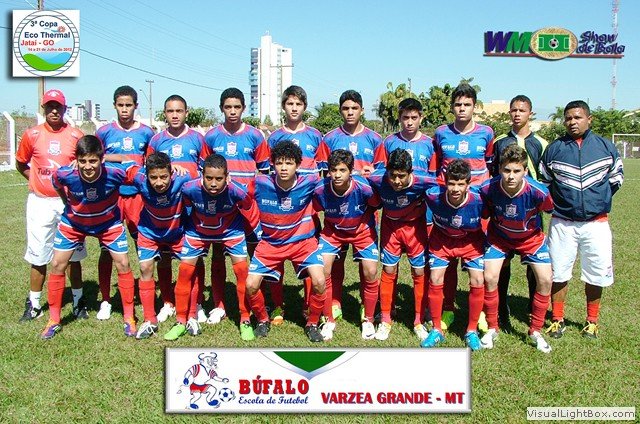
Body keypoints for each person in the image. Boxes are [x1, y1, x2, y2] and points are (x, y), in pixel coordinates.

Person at [540, 100, 623, 339]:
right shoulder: (554, 149)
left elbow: (616, 178)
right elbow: (545, 182)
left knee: (596, 273)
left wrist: (597, 200)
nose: (572, 122)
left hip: (596, 223)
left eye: (577, 117)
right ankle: (557, 319)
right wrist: (563, 204)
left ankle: (592, 321)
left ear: (589, 119)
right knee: (558, 272)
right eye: (568, 118)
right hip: (563, 222)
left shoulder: (605, 147)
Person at [41, 135, 136, 339]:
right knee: (57, 264)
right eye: (82, 161)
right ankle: (54, 320)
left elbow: (134, 167)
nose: (87, 166)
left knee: (123, 264)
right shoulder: (66, 173)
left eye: (92, 161)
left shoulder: (116, 173)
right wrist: (67, 202)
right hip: (74, 223)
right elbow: (56, 184)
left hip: (108, 224)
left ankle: (129, 317)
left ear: (102, 159)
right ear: (76, 160)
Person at [163, 154, 260, 341]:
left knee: (242, 271)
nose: (213, 183)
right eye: (209, 178)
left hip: (231, 231)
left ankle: (245, 319)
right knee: (184, 272)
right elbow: (186, 208)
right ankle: (181, 321)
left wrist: (257, 233)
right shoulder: (189, 189)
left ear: (227, 177)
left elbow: (248, 208)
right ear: (202, 175)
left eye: (218, 179)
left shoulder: (238, 191)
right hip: (198, 232)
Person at [15, 89, 87, 323]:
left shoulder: (76, 135)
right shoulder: (32, 134)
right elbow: (21, 163)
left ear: (65, 109)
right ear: (44, 108)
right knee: (38, 254)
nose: (54, 110)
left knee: (74, 254)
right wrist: (37, 181)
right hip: (40, 203)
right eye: (50, 106)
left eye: (58, 106)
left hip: (69, 204)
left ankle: (78, 302)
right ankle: (34, 304)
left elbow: (86, 165)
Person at [244, 141, 327, 342]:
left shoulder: (310, 182)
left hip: (302, 243)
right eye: (279, 163)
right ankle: (263, 319)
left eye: (288, 163)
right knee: (251, 285)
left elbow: (335, 181)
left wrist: (361, 173)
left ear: (297, 165)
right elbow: (240, 197)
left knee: (319, 281)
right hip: (270, 244)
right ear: (272, 164)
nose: (283, 168)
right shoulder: (260, 183)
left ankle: (312, 323)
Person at [204, 88, 270, 325]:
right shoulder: (211, 136)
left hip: (248, 207)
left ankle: (260, 301)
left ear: (243, 108)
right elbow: (205, 171)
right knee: (218, 254)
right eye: (228, 107)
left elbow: (264, 172)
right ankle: (219, 305)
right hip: (220, 206)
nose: (232, 111)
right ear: (221, 108)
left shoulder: (255, 136)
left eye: (237, 107)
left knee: (255, 254)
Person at [432, 83, 494, 331]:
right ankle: (448, 309)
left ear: (474, 107)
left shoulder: (486, 133)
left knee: (478, 263)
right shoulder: (441, 133)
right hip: (449, 203)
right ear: (452, 107)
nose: (462, 108)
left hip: (477, 207)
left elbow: (489, 164)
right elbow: (437, 167)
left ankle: (479, 313)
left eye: (467, 104)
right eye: (458, 104)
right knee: (447, 261)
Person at [480, 145, 554, 353]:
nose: (511, 176)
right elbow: (484, 213)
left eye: (516, 171)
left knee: (546, 279)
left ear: (525, 171)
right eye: (506, 170)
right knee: (490, 277)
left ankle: (535, 331)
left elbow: (548, 209)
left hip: (530, 239)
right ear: (499, 169)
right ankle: (492, 327)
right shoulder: (487, 188)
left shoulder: (539, 191)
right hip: (499, 237)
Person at [320, 89, 385, 321]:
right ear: (340, 110)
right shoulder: (329, 138)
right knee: (335, 260)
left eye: (354, 108)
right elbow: (323, 174)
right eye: (346, 108)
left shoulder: (375, 139)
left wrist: (370, 175)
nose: (350, 112)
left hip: (364, 211)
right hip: (337, 212)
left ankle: (366, 306)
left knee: (366, 264)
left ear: (362, 110)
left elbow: (381, 175)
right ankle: (335, 302)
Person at [266, 85, 327, 325]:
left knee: (309, 257)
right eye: (290, 103)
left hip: (307, 209)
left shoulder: (315, 136)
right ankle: (277, 305)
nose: (294, 108)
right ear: (284, 106)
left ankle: (308, 305)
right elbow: (269, 174)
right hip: (281, 209)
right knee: (276, 257)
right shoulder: (274, 138)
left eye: (298, 104)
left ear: (305, 107)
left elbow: (322, 174)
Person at [147, 94, 211, 323]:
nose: (174, 115)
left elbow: (206, 169)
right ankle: (167, 302)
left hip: (192, 206)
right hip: (168, 207)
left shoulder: (197, 139)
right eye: (170, 111)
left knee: (195, 256)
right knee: (164, 256)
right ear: (165, 113)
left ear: (186, 112)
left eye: (179, 111)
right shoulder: (156, 140)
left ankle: (198, 303)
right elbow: (149, 170)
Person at [94, 85, 155, 321]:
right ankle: (106, 300)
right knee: (106, 249)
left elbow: (152, 163)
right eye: (120, 105)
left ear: (136, 106)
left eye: (129, 105)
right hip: (111, 196)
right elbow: (95, 157)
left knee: (144, 245)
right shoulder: (104, 132)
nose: (125, 109)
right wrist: (119, 158)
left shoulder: (147, 133)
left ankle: (146, 292)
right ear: (114, 106)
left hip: (138, 196)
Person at [118, 152, 191, 339]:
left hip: (176, 232)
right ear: (146, 174)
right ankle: (150, 320)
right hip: (149, 232)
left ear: (171, 173)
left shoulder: (183, 177)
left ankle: (191, 314)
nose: (159, 183)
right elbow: (122, 163)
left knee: (189, 268)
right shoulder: (139, 177)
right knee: (145, 268)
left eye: (164, 177)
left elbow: (204, 182)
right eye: (154, 178)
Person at [491, 94, 548, 329]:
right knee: (502, 262)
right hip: (503, 213)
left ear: (530, 114)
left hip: (531, 214)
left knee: (534, 265)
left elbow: (546, 178)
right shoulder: (499, 142)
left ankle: (532, 309)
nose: (517, 114)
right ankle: (501, 309)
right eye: (513, 110)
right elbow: (493, 174)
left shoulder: (541, 144)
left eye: (522, 110)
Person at [368, 149, 436, 341]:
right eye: (392, 175)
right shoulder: (378, 178)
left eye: (401, 176)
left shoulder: (425, 180)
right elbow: (360, 179)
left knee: (419, 271)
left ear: (410, 172)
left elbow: (445, 185)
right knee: (388, 269)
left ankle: (418, 321)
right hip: (391, 228)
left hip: (415, 229)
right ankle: (386, 319)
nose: (396, 181)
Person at [313, 149, 379, 340]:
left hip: (362, 232)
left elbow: (376, 204)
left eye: (342, 170)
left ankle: (368, 319)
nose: (337, 175)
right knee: (323, 270)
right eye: (333, 170)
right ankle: (328, 319)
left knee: (371, 271)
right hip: (333, 232)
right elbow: (314, 208)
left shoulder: (363, 187)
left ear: (351, 171)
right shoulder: (321, 189)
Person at [421, 159, 485, 350]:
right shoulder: (433, 195)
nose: (455, 189)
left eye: (460, 184)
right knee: (435, 277)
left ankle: (471, 330)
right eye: (451, 183)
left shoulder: (480, 199)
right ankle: (436, 329)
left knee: (478, 280)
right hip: (442, 240)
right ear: (445, 182)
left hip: (470, 241)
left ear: (468, 183)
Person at [382, 97, 436, 321]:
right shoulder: (389, 142)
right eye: (406, 117)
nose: (410, 122)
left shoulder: (430, 144)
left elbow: (433, 181)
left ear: (421, 118)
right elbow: (381, 175)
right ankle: (389, 308)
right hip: (393, 214)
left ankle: (424, 309)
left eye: (414, 117)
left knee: (423, 265)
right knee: (389, 265)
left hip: (422, 216)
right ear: (399, 118)